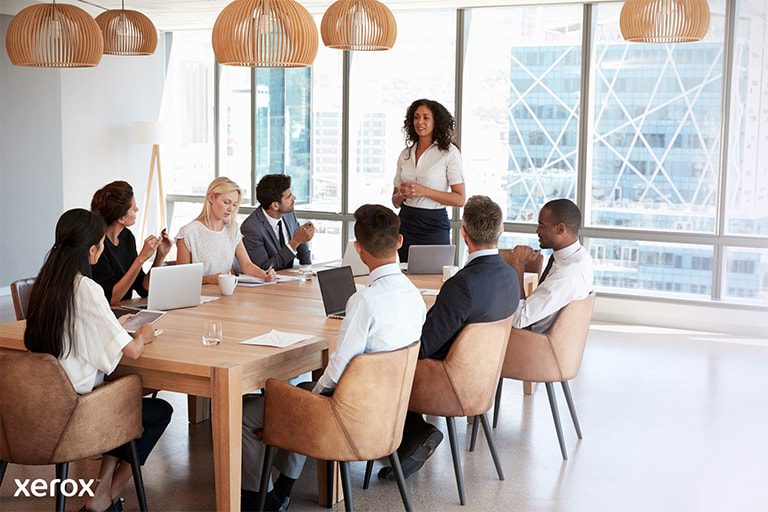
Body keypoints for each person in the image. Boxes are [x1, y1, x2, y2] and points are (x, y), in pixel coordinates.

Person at [240, 205, 426, 512]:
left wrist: (310, 397)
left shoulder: (365, 300)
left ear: (358, 249)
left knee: (250, 411)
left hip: (347, 417)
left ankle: (256, 500)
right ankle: (281, 491)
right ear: (399, 242)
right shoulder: (413, 295)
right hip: (389, 412)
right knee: (306, 394)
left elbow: (338, 369)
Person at [23, 209, 173, 512]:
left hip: (35, 407)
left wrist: (110, 326)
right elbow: (132, 353)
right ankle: (108, 494)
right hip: (76, 413)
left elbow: (74, 330)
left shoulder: (45, 284)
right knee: (155, 410)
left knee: (122, 399)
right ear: (93, 249)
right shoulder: (87, 289)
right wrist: (142, 334)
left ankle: (101, 493)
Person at [378, 195, 520, 481]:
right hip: (480, 379)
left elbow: (425, 344)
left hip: (445, 379)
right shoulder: (510, 275)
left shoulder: (462, 285)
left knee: (380, 361)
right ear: (501, 231)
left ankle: (414, 432)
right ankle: (412, 432)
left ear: (463, 233)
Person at [392, 99, 466, 262]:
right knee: (406, 275)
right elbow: (395, 202)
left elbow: (460, 199)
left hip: (434, 225)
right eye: (416, 117)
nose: (420, 122)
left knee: (435, 278)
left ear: (436, 121)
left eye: (426, 117)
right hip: (405, 223)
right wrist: (402, 194)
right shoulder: (405, 154)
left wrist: (422, 190)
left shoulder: (449, 153)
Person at [505, 198, 593, 333]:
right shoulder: (581, 257)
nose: (537, 231)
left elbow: (519, 319)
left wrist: (518, 266)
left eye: (542, 226)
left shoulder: (565, 275)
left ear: (560, 229)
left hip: (530, 340)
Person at [176, 177, 276, 284]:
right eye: (227, 202)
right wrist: (209, 279)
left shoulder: (232, 229)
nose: (231, 209)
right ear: (211, 197)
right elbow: (182, 278)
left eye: (234, 204)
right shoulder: (188, 233)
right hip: (200, 296)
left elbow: (246, 265)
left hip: (226, 293)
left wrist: (264, 274)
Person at [90, 181, 172, 306]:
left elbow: (143, 289)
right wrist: (141, 259)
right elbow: (111, 299)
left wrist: (160, 256)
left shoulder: (126, 237)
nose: (137, 210)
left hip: (125, 311)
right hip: (107, 315)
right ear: (121, 218)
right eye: (134, 208)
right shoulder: (97, 246)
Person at [241, 174, 313, 271]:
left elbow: (302, 246)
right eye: (289, 196)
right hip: (267, 284)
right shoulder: (251, 228)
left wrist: (309, 271)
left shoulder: (289, 214)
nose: (294, 198)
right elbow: (264, 268)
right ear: (275, 205)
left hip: (290, 280)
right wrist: (294, 242)